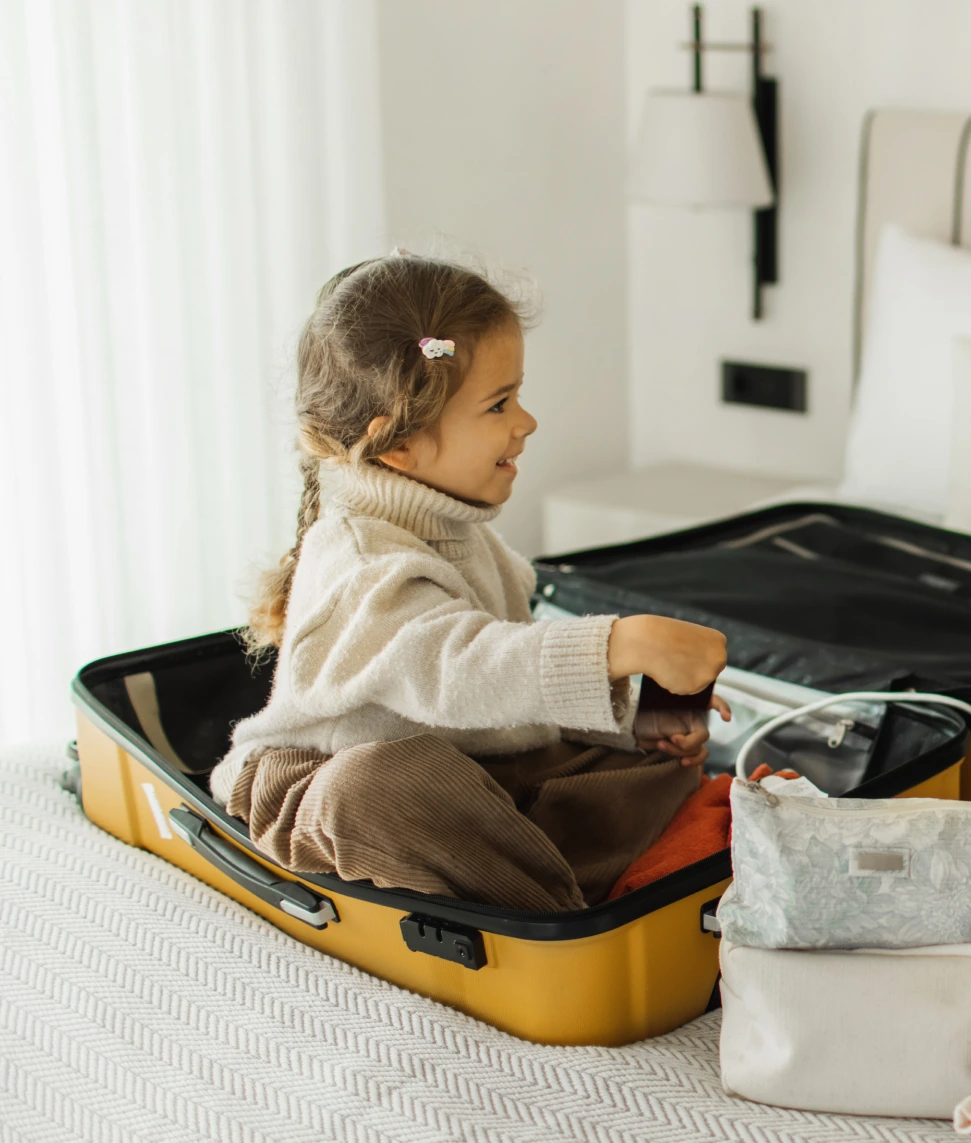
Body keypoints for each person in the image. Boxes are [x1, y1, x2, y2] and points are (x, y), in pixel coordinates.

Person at [215, 252, 731, 912]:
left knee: (647, 762)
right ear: (397, 444)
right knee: (390, 787)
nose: (527, 422)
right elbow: (455, 670)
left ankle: (592, 851)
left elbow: (512, 692)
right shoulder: (354, 557)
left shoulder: (466, 532)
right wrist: (617, 644)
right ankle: (565, 918)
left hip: (472, 762)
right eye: (499, 403)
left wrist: (638, 720)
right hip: (331, 779)